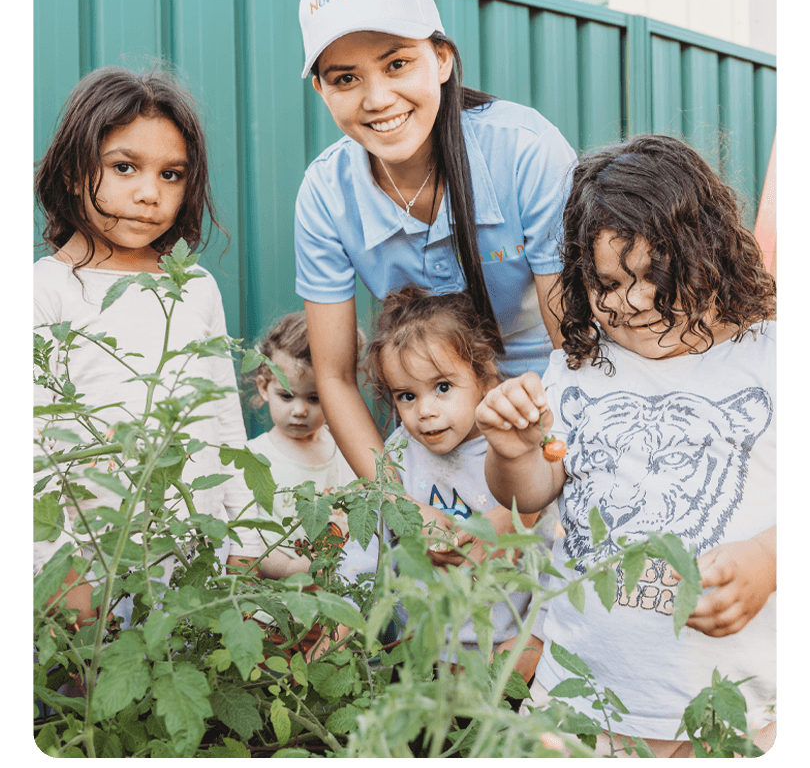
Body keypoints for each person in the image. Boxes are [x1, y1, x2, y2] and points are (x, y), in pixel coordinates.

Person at [477, 135, 777, 755]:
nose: (633, 303)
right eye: (607, 284)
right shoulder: (581, 366)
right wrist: (511, 452)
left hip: (727, 715)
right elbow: (532, 494)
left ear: (711, 251)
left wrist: (768, 559)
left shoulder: (766, 359)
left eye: (656, 277)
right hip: (573, 708)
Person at [294, 0, 578, 495]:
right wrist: (407, 509)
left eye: (397, 63)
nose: (378, 99)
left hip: (546, 414)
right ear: (322, 91)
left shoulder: (524, 151)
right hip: (430, 433)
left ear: (442, 59)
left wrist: (531, 489)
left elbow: (574, 347)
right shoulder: (326, 194)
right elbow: (334, 376)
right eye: (346, 78)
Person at [33, 65, 262, 626]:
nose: (148, 194)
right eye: (124, 167)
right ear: (70, 171)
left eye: (171, 174)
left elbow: (222, 423)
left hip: (192, 561)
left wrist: (247, 539)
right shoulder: (49, 289)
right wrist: (58, 573)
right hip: (87, 568)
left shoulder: (194, 285)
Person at [323, 286, 558, 685]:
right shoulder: (399, 453)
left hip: (501, 659)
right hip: (416, 659)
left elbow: (552, 551)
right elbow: (369, 547)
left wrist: (532, 639)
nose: (425, 411)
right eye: (407, 396)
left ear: (483, 376)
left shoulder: (514, 453)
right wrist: (340, 626)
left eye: (443, 387)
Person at [244, 312, 359, 579]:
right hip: (286, 599)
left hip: (345, 595)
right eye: (286, 396)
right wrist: (290, 569)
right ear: (263, 387)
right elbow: (252, 535)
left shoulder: (345, 447)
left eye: (314, 398)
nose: (299, 410)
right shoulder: (255, 457)